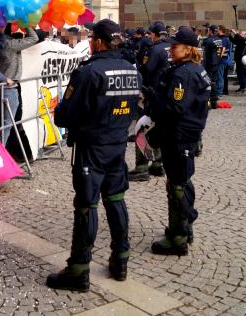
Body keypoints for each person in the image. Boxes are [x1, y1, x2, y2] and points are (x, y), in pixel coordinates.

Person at [46, 20, 140, 291]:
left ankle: (78, 268)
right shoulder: (131, 70)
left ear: (98, 41)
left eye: (91, 38)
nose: (88, 42)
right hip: (117, 144)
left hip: (92, 147)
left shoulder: (89, 72)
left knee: (87, 205)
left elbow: (65, 115)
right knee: (116, 199)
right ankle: (121, 259)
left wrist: (60, 109)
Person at [145, 26, 210, 256]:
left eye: (175, 45)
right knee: (183, 180)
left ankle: (178, 236)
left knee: (177, 184)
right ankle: (183, 228)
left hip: (179, 136)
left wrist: (154, 98)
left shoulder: (184, 74)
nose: (170, 49)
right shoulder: (194, 69)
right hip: (189, 135)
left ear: (188, 48)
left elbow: (175, 108)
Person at [130, 21, 169, 181]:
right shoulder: (171, 45)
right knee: (159, 128)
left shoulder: (154, 49)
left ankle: (141, 166)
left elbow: (146, 69)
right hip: (165, 93)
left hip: (151, 92)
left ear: (153, 34)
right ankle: (158, 163)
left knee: (142, 126)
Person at [0, 24, 39, 145]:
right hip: (9, 86)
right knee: (7, 123)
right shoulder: (11, 44)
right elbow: (34, 38)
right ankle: (1, 154)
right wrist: (24, 23)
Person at [217, 26, 233, 95]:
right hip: (224, 60)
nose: (216, 31)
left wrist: (216, 59)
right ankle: (221, 90)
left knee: (220, 76)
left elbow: (221, 50)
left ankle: (219, 92)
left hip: (221, 60)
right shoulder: (226, 39)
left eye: (217, 30)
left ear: (220, 30)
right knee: (222, 76)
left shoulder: (223, 39)